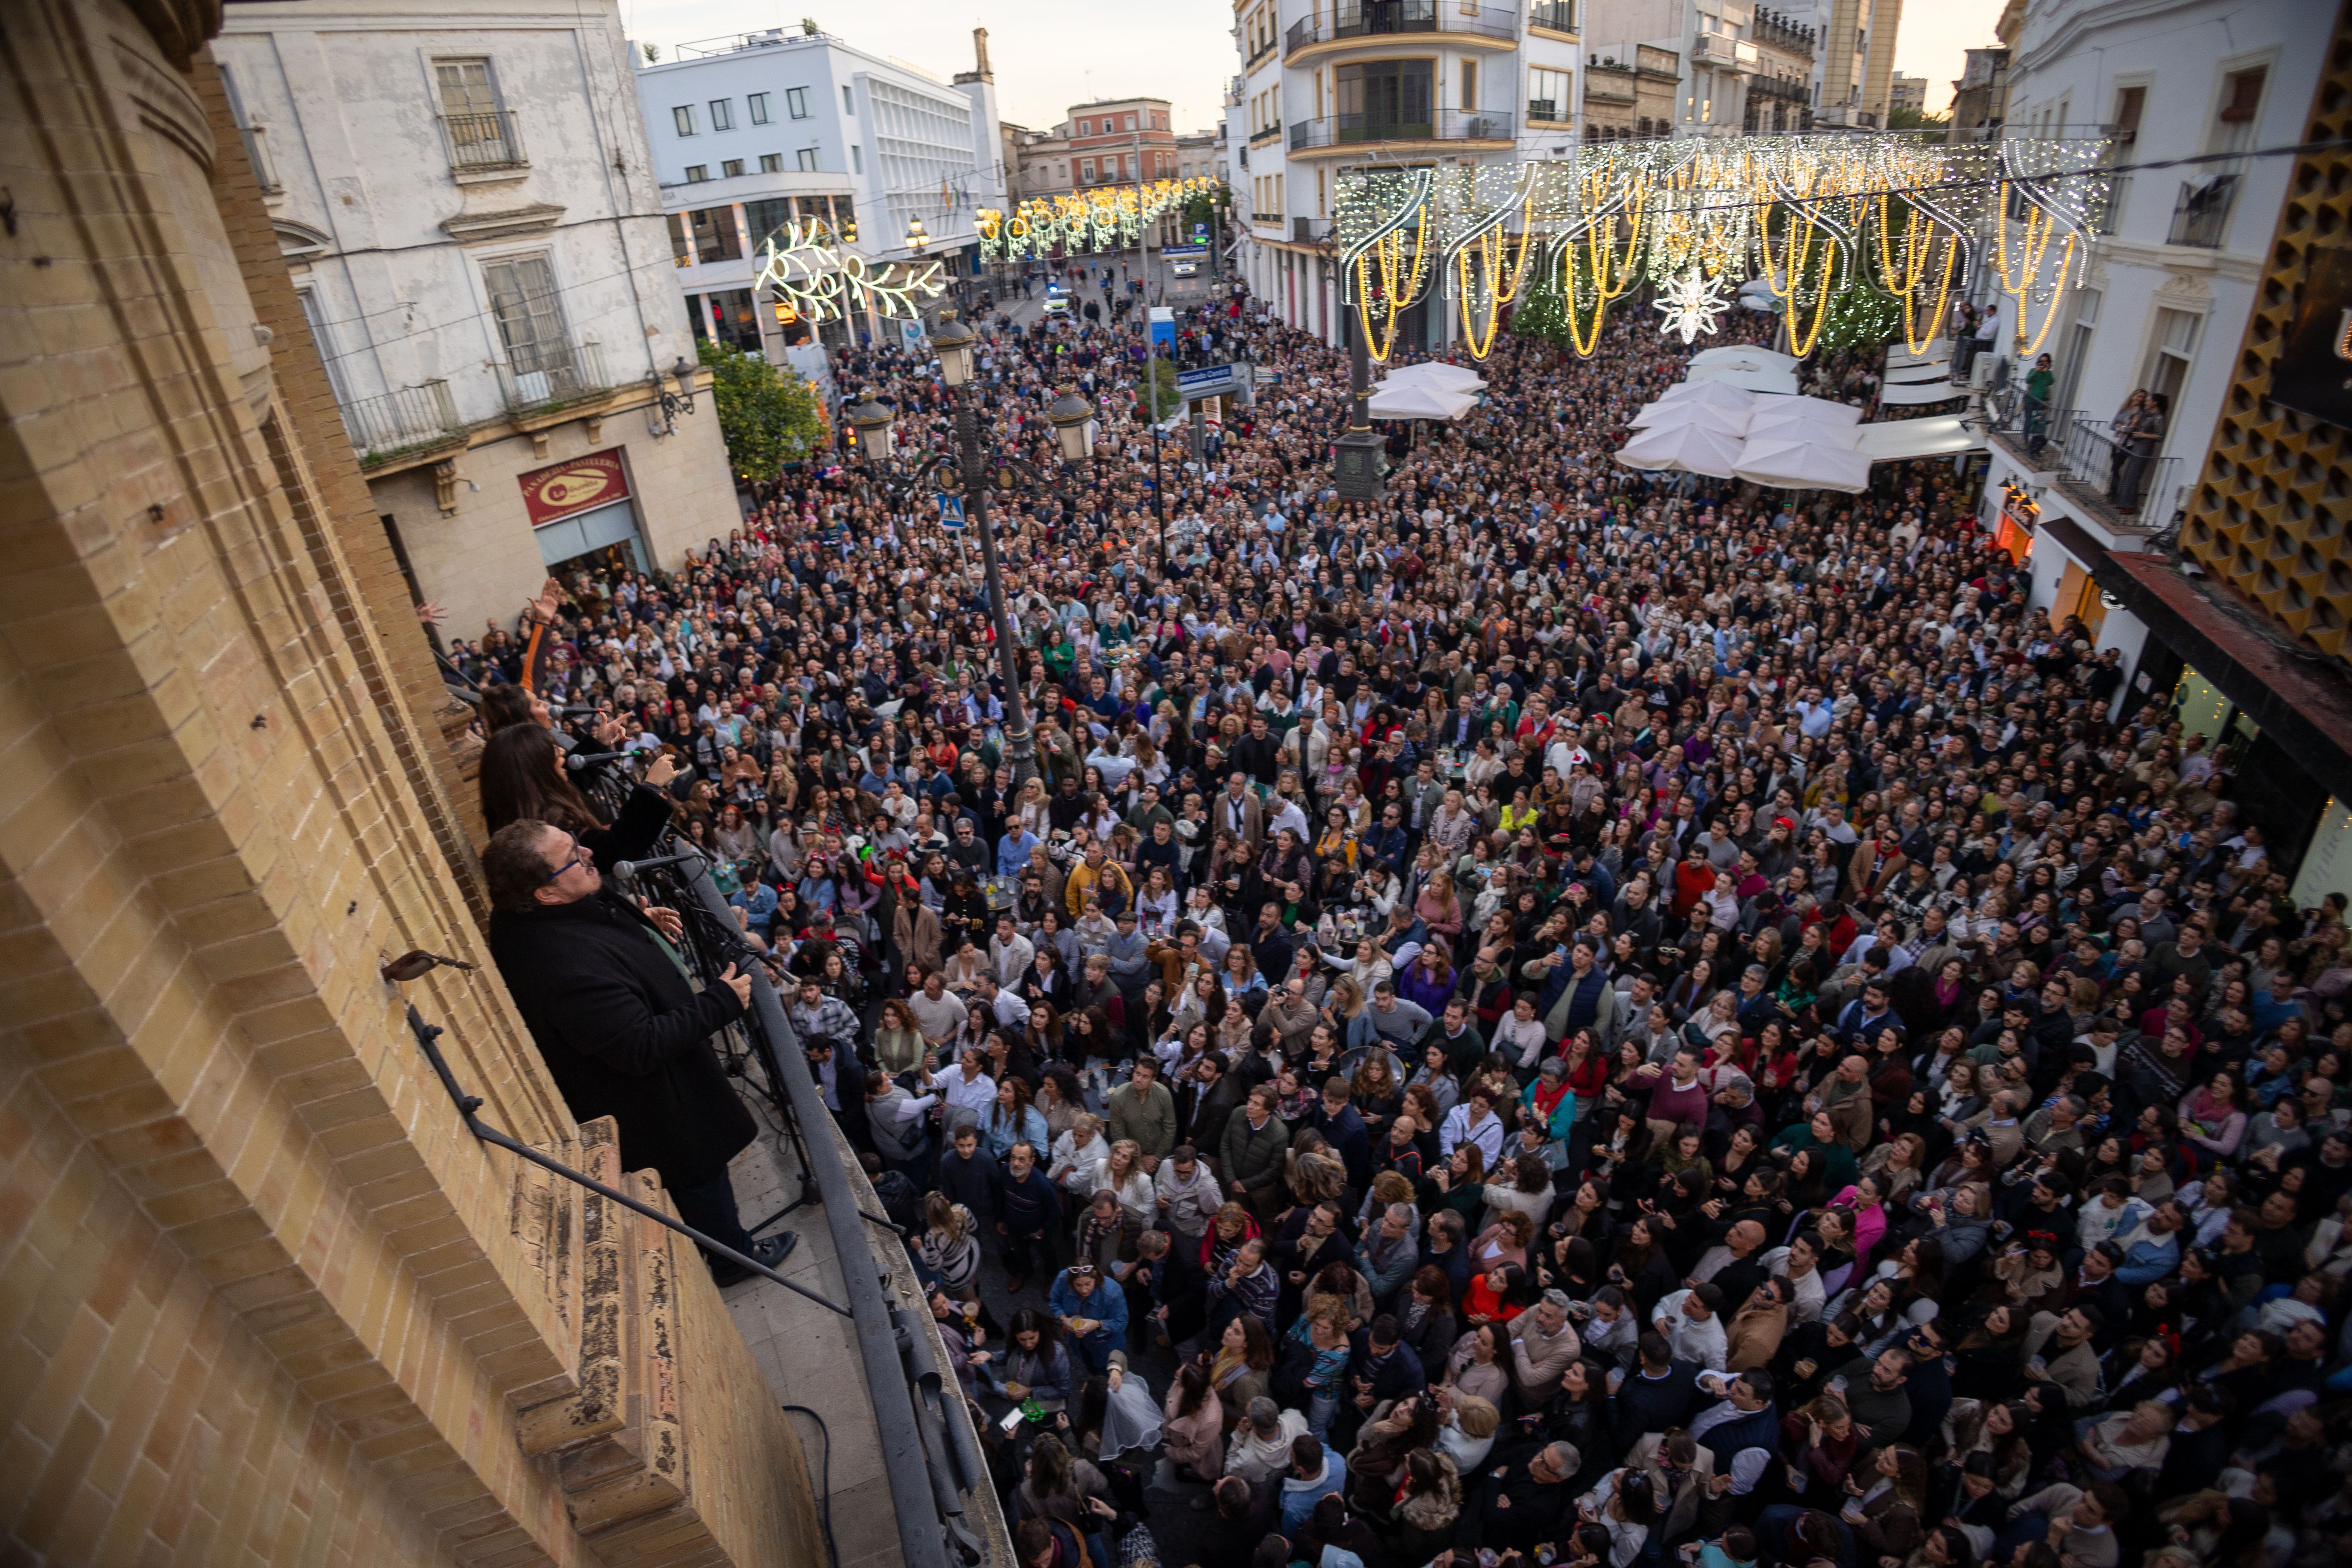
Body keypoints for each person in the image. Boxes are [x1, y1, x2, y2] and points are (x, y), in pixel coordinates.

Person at [482, 819, 792, 1286]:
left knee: (698, 1178)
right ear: (544, 893)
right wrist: (721, 1001)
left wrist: (636, 923)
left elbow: (598, 933)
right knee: (700, 1178)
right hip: (656, 1105)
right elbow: (638, 1045)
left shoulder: (540, 918)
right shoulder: (562, 968)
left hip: (659, 1089)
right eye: (572, 856)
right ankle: (735, 1259)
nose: (589, 855)